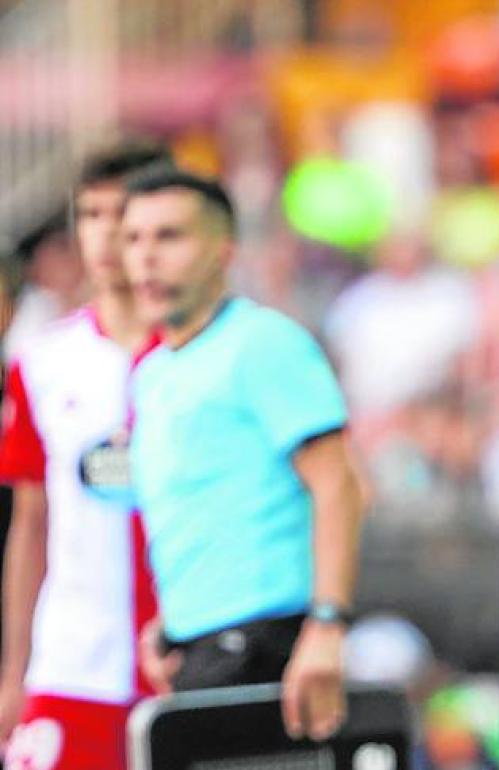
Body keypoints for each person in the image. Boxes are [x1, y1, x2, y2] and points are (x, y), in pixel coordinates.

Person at [120, 168, 366, 742]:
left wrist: (328, 623)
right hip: (197, 645)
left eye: (169, 236)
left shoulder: (264, 343)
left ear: (222, 250)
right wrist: (172, 622)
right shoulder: (152, 372)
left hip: (267, 643)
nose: (146, 257)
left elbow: (338, 483)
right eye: (134, 239)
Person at [0, 142, 171, 770]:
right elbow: (31, 522)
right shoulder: (43, 362)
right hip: (72, 668)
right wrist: (14, 672)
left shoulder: (208, 358)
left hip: (186, 665)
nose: (105, 234)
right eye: (91, 214)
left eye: (120, 213)